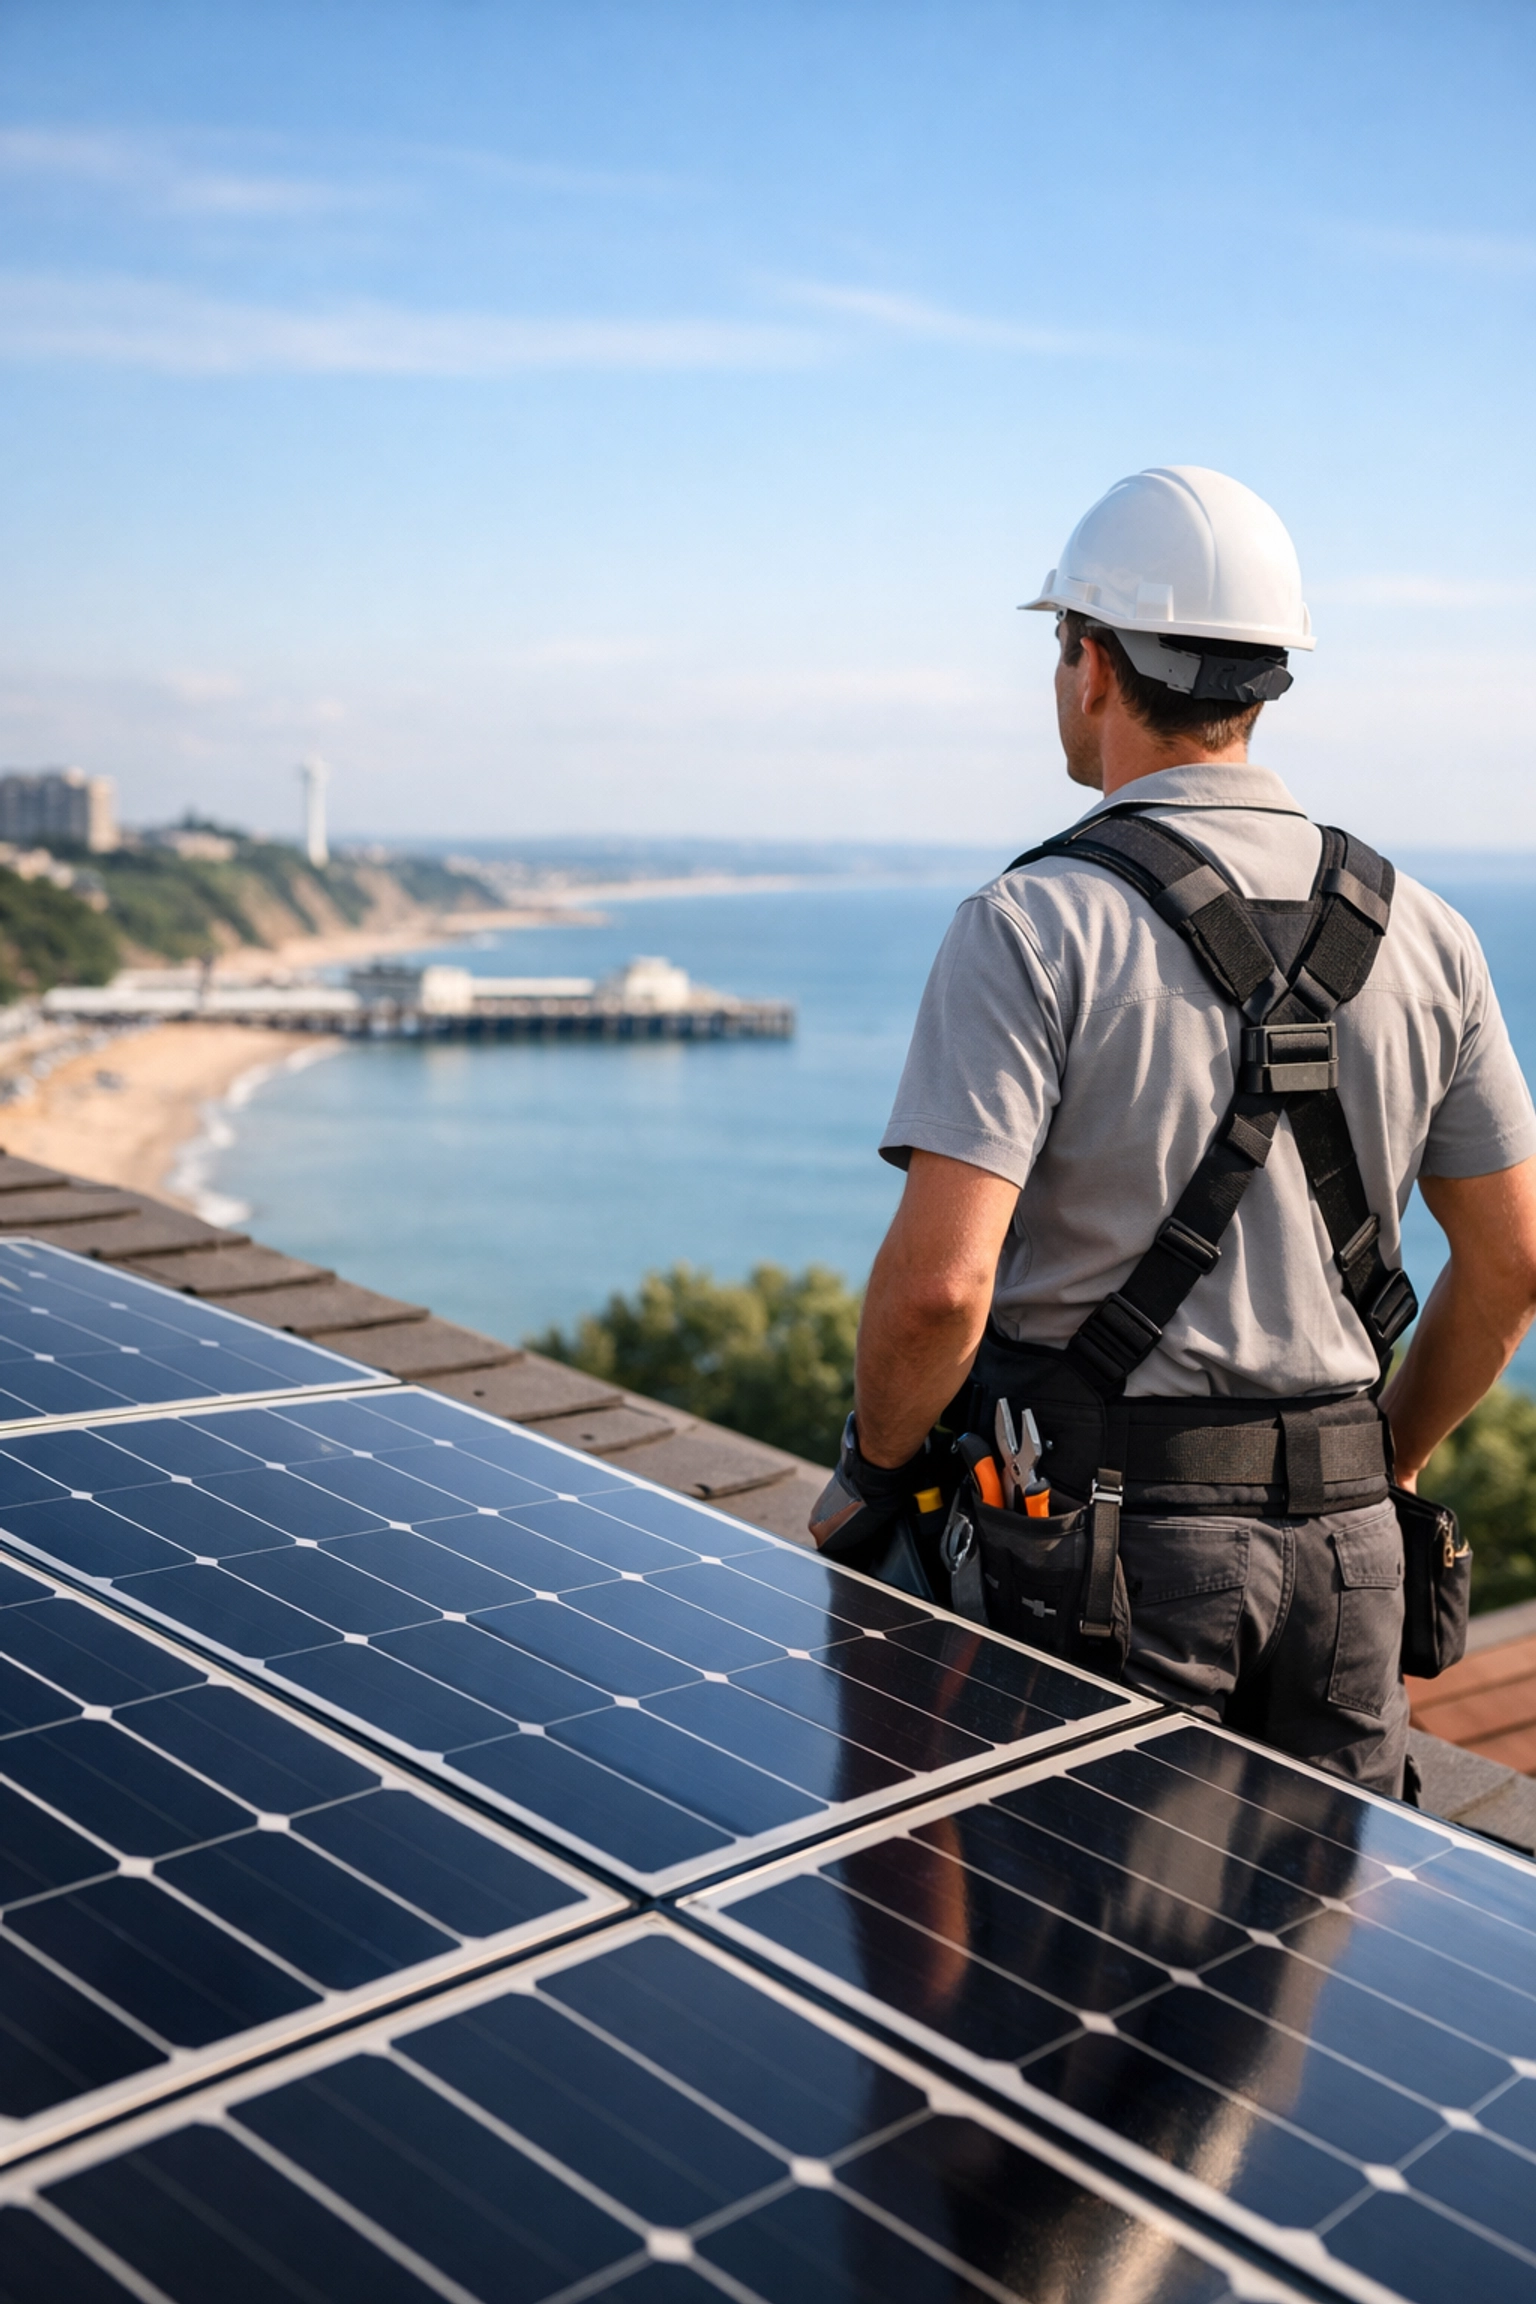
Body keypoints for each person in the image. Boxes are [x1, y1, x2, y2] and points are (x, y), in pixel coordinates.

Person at [812, 465, 1536, 1795]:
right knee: (1293, 1997)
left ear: (1092, 663)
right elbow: (1511, 1271)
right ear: (1266, 680)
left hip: (1101, 1559)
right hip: (1352, 1561)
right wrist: (1385, 1461)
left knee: (1069, 1984)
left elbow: (939, 1292)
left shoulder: (1030, 925)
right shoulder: (1429, 931)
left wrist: (878, 1467)